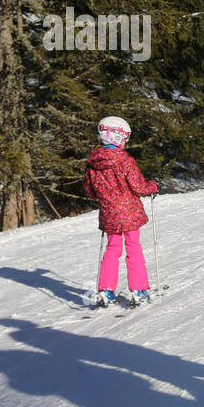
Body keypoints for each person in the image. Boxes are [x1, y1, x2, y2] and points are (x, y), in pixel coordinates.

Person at [83, 116, 158, 307]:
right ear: (115, 137)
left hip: (109, 214)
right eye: (125, 138)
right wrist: (153, 186)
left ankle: (105, 291)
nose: (126, 142)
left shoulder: (93, 163)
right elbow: (138, 187)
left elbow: (89, 191)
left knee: (112, 248)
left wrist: (105, 195)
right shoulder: (125, 161)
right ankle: (138, 289)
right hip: (129, 212)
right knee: (133, 246)